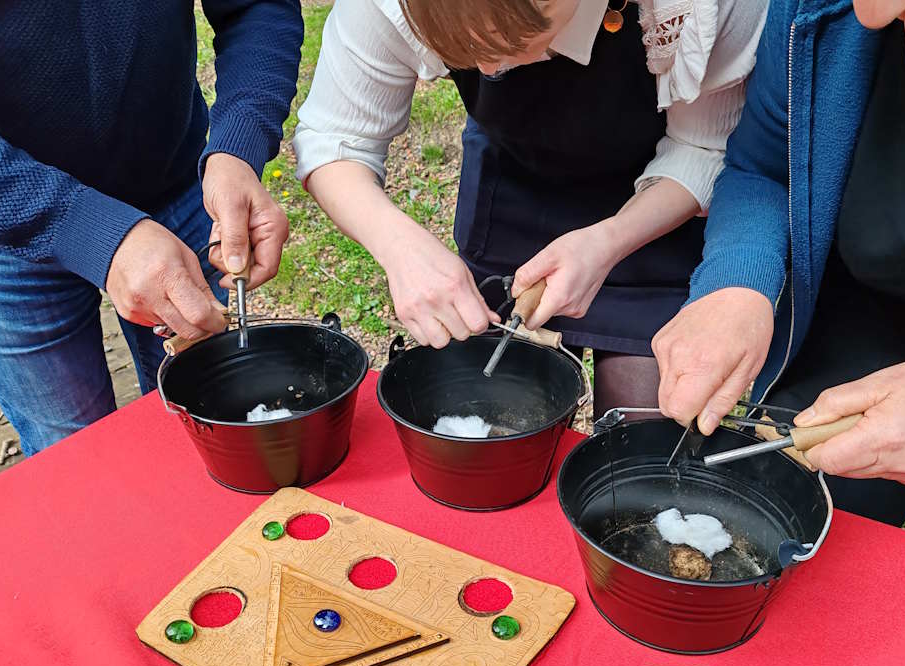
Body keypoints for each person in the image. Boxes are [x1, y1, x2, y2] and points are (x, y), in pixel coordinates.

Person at [293, 0, 768, 418]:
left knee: (641, 445)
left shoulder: (698, 6)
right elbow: (337, 140)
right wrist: (400, 247)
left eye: (512, 42)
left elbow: (704, 147)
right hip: (513, 191)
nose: (490, 69)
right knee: (488, 421)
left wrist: (610, 240)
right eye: (464, 51)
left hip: (663, 211)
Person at [652, 0, 905, 525]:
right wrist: (736, 281)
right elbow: (764, 167)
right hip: (848, 320)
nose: (874, 15)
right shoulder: (829, 13)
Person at [0, 1, 304, 455]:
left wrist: (238, 145)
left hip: (176, 185)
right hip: (4, 224)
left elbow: (256, 7)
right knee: (74, 461)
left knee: (209, 428)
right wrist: (86, 229)